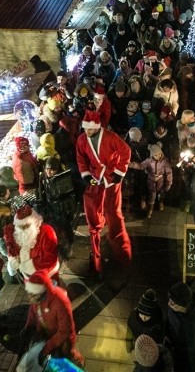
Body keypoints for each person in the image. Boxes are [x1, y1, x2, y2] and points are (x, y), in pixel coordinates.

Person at [76, 109, 133, 276]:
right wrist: (86, 175)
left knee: (114, 213)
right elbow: (81, 159)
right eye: (86, 129)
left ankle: (122, 252)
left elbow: (126, 152)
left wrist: (119, 172)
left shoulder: (110, 137)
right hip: (95, 177)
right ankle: (96, 252)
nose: (88, 132)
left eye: (91, 129)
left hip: (111, 178)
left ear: (98, 127)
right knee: (93, 214)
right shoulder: (81, 140)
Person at [19, 271, 83, 368]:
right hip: (49, 334)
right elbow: (32, 312)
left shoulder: (60, 302)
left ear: (42, 292)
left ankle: (78, 363)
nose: (30, 298)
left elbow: (65, 331)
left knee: (67, 357)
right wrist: (28, 327)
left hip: (63, 341)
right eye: (29, 293)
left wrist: (46, 348)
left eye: (33, 295)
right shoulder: (37, 298)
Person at [4, 205, 61, 283]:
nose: (23, 229)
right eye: (20, 226)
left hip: (47, 277)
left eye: (26, 226)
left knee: (54, 293)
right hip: (28, 279)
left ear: (34, 221)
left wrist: (25, 266)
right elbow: (12, 247)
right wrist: (13, 258)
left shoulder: (47, 231)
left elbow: (50, 258)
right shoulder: (16, 234)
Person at [141, 143, 173, 218]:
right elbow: (141, 165)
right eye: (156, 155)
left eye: (159, 154)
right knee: (152, 196)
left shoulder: (165, 162)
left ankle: (161, 202)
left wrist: (168, 183)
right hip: (152, 182)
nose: (158, 156)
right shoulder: (149, 161)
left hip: (161, 182)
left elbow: (169, 172)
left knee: (161, 194)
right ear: (152, 155)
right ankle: (150, 210)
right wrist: (133, 165)